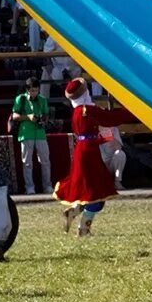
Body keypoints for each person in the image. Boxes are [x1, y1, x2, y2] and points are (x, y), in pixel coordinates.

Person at [54, 77, 130, 237]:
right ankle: (83, 229)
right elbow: (110, 119)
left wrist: (102, 138)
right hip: (89, 153)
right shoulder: (88, 109)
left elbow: (86, 134)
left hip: (82, 150)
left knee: (90, 191)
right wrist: (131, 111)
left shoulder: (76, 112)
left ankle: (73, 213)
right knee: (96, 192)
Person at [10, 76, 53, 194]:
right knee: (27, 162)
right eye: (32, 90)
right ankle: (29, 187)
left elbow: (46, 114)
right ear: (27, 90)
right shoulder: (21, 99)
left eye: (36, 90)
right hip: (26, 133)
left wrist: (43, 120)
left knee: (45, 160)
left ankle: (47, 186)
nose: (34, 93)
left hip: (40, 133)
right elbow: (14, 116)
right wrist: (28, 117)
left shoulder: (42, 99)